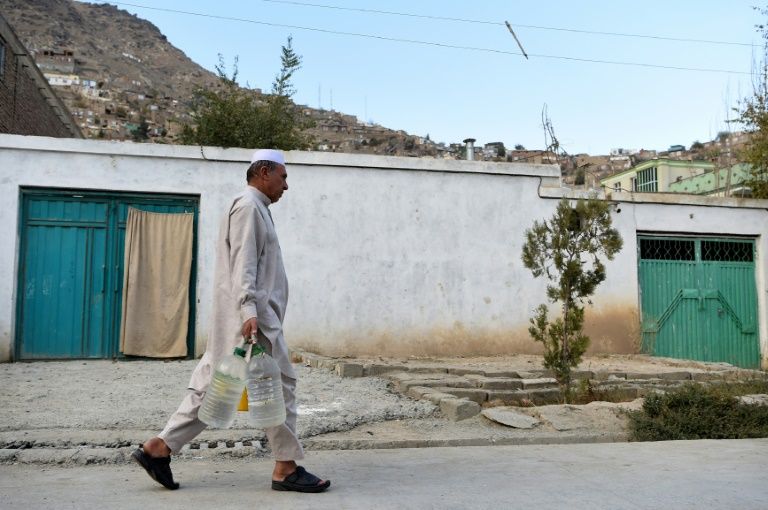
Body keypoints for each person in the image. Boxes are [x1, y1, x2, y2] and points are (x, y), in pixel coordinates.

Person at [132, 149, 330, 493]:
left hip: (248, 317)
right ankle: (285, 467)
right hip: (254, 321)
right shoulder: (249, 206)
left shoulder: (256, 208)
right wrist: (250, 311)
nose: (286, 185)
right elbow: (244, 263)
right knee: (279, 388)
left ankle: (159, 448)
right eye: (283, 177)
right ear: (264, 172)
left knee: (216, 387)